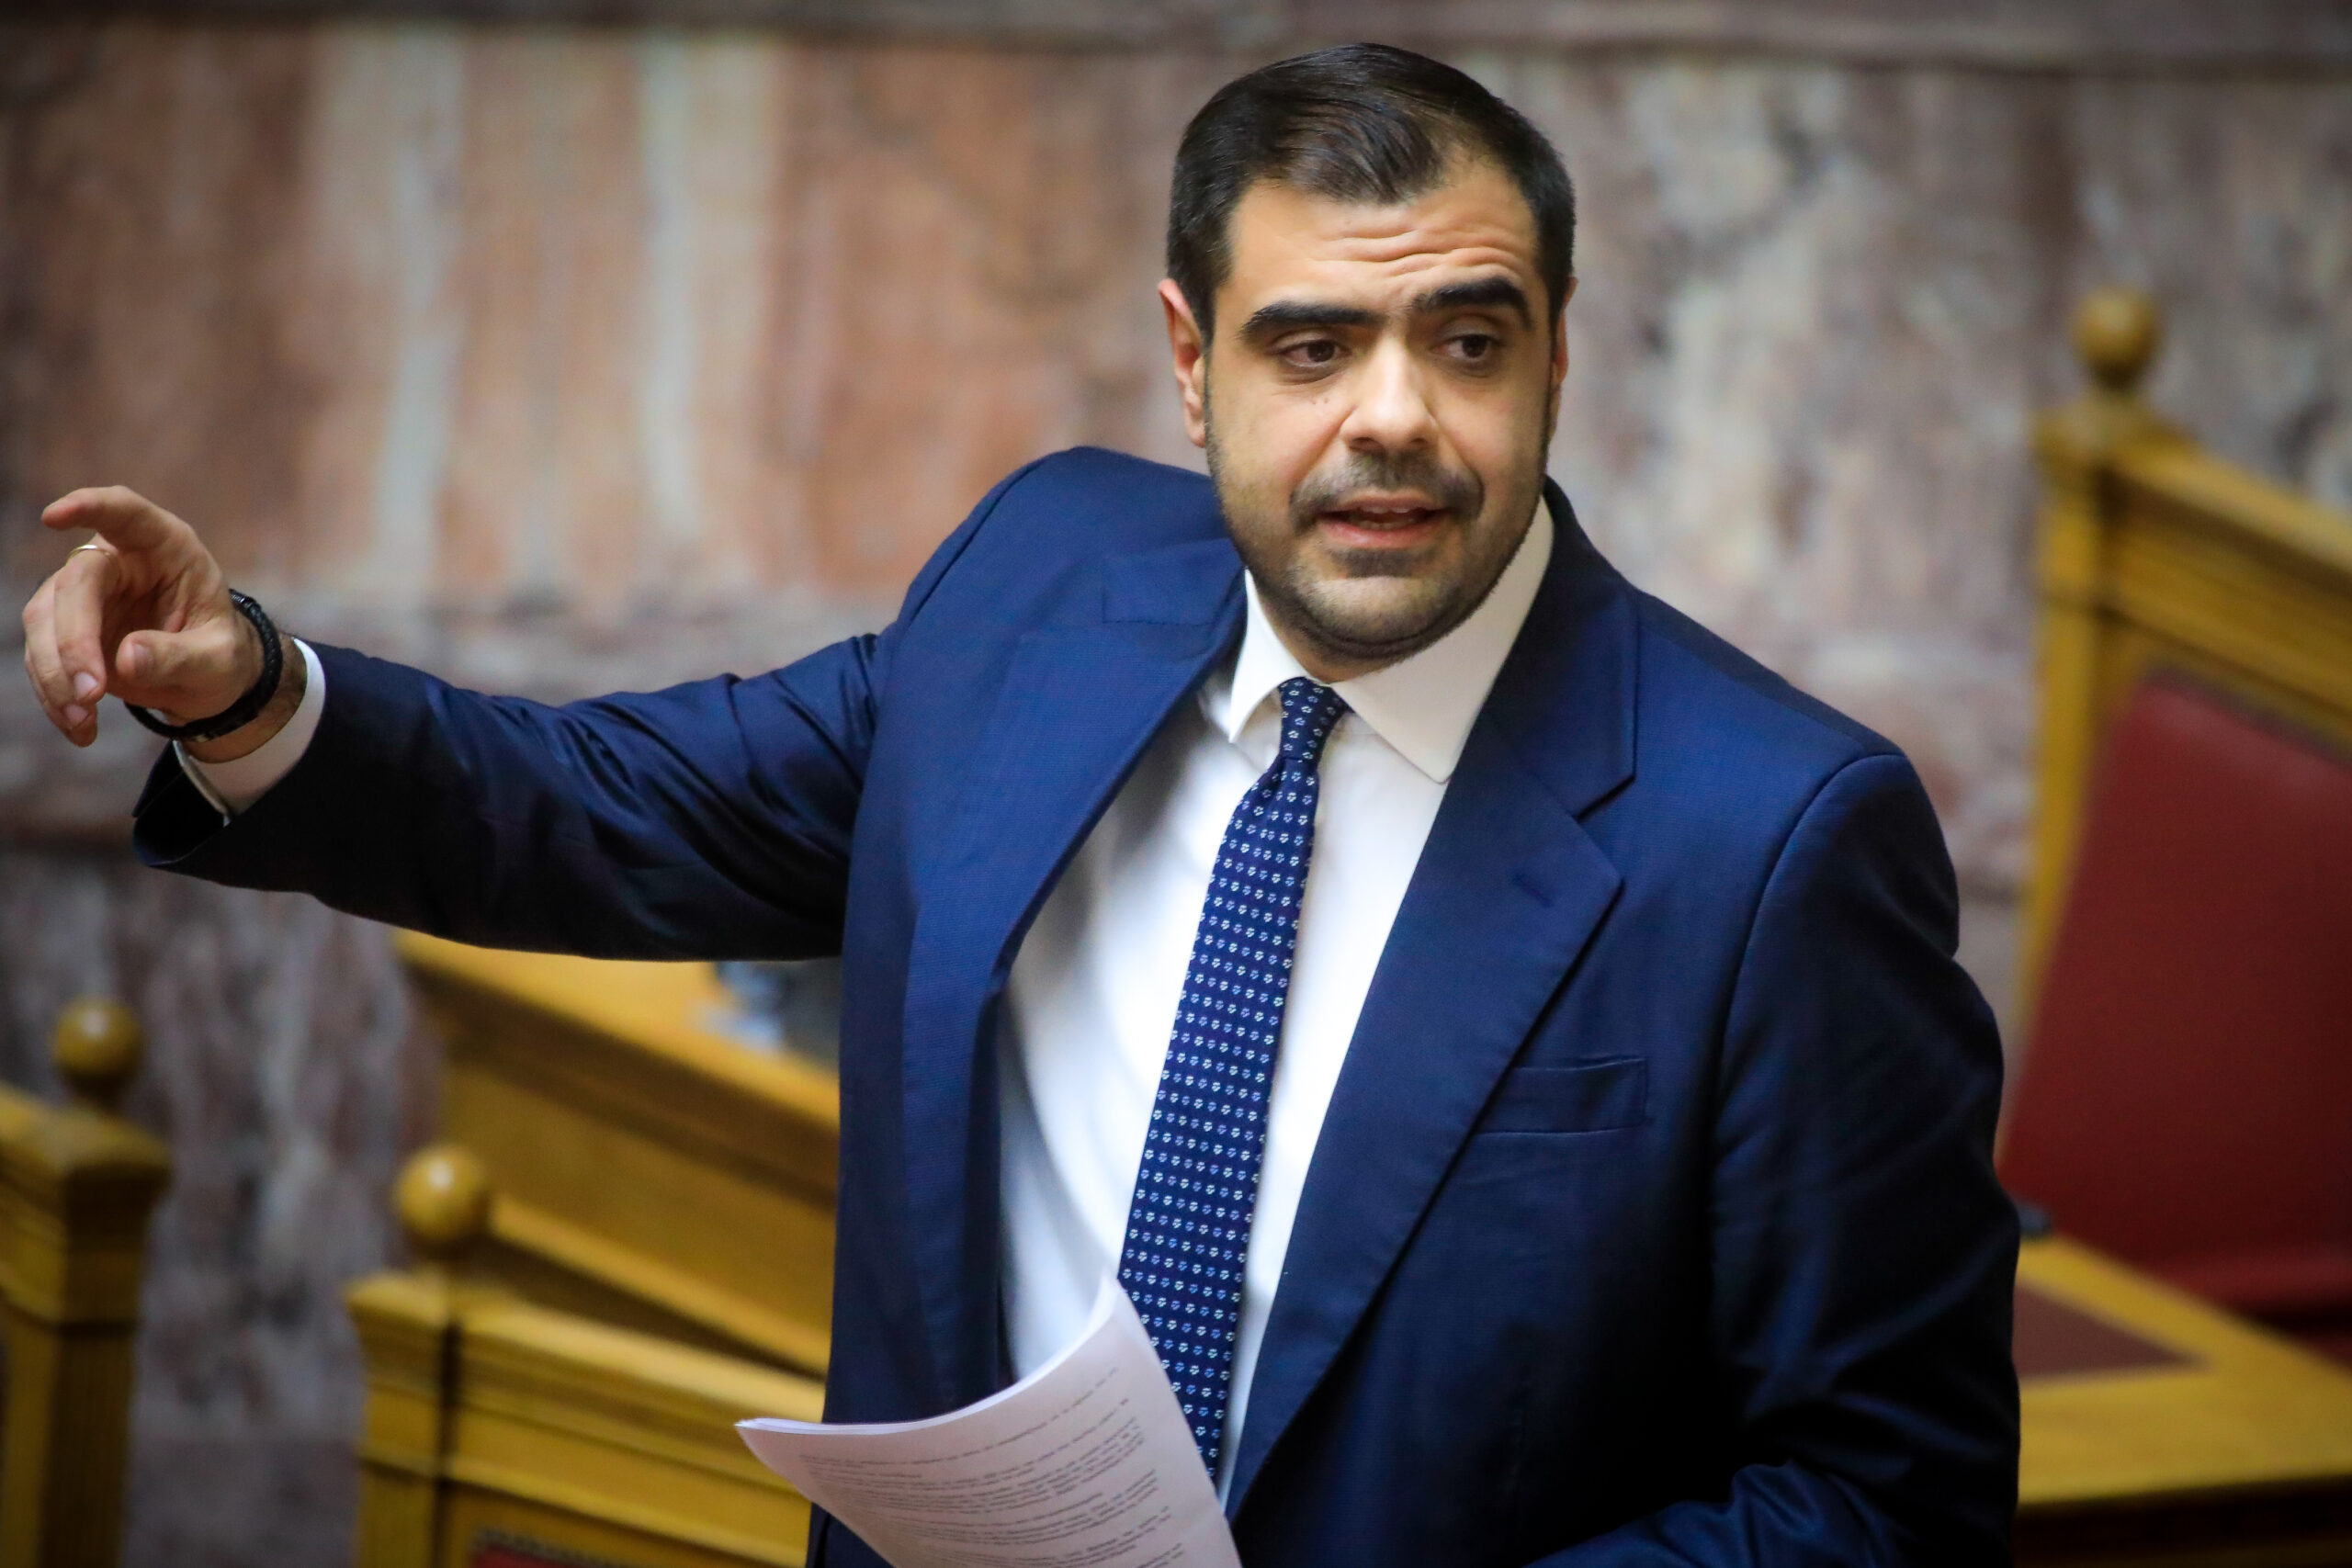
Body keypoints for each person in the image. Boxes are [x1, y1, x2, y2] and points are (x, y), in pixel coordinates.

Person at [17, 43, 2017, 1567]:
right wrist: (256, 689)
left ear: (1556, 360)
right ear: (1190, 365)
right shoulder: (1040, 588)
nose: (1393, 416)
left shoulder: (1771, 839)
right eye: (1311, 345)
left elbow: (1885, 1499)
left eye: (1466, 339)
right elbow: (604, 806)